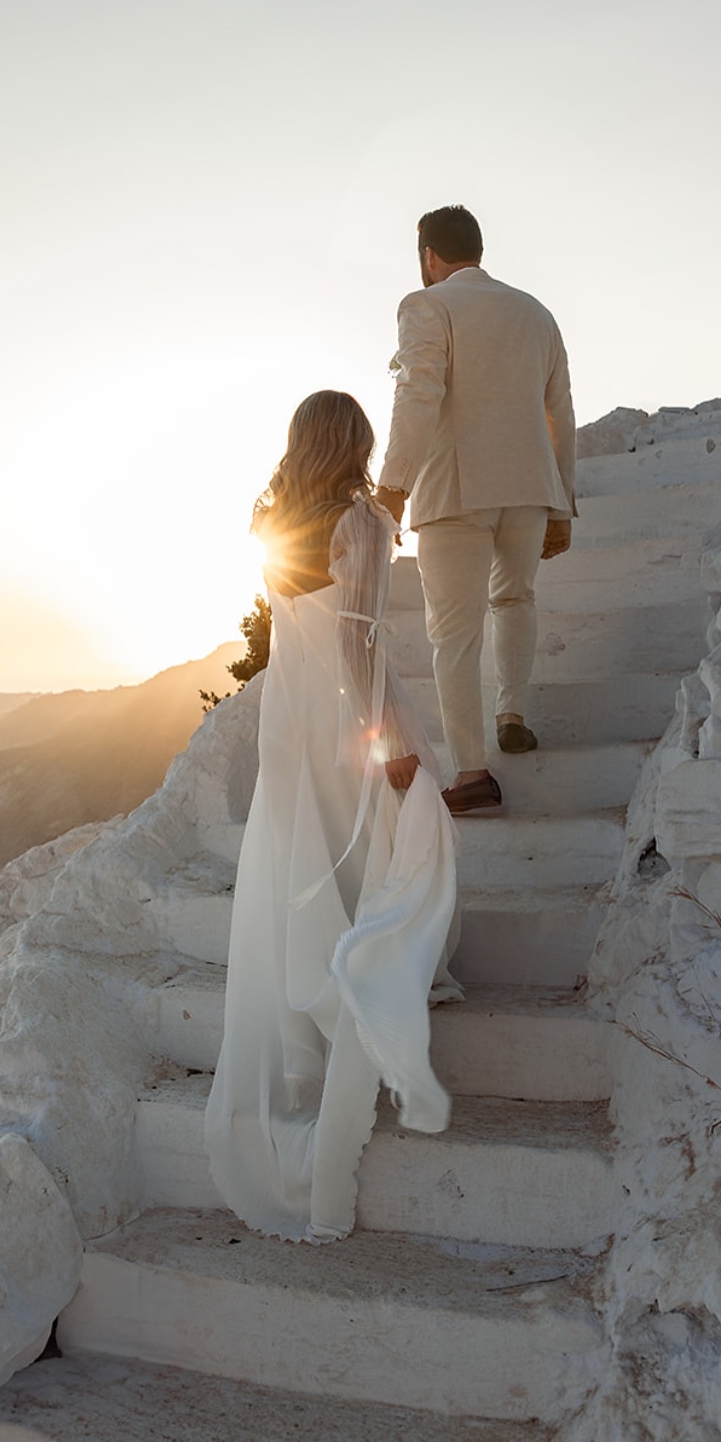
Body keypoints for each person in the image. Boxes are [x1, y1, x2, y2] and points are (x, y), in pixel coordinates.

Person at [204, 390, 460, 1243]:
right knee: (396, 831)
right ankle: (378, 971)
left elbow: (295, 635)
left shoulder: (275, 519)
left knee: (308, 857)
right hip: (345, 707)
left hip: (290, 716)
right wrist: (386, 737)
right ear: (356, 442)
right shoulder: (362, 522)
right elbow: (357, 640)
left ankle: (323, 987)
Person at [375, 204, 576, 816]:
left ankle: (470, 772)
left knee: (453, 634)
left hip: (454, 490)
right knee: (515, 598)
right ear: (479, 250)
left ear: (429, 256)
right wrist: (562, 501)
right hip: (529, 489)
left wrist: (392, 485)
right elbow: (560, 412)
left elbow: (419, 393)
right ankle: (511, 710)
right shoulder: (536, 313)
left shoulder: (425, 305)